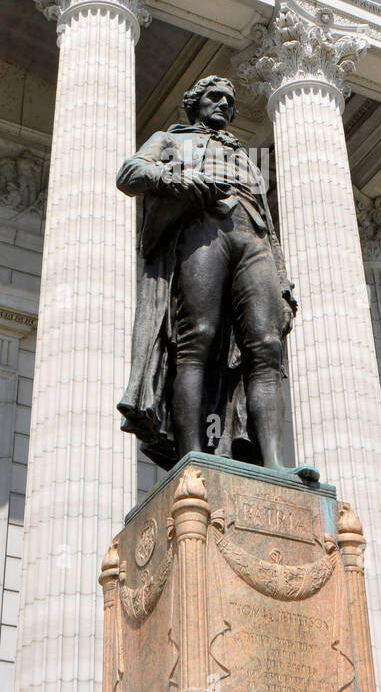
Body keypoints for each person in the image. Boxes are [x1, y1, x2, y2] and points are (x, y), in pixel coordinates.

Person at [117, 75, 297, 470]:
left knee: (266, 345)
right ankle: (192, 455)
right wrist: (175, 179)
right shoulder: (170, 140)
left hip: (252, 240)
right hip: (203, 231)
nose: (222, 104)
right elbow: (130, 174)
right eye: (213, 97)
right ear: (195, 102)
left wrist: (282, 280)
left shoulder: (245, 157)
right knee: (197, 336)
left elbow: (268, 222)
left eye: (229, 101)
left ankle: (275, 464)